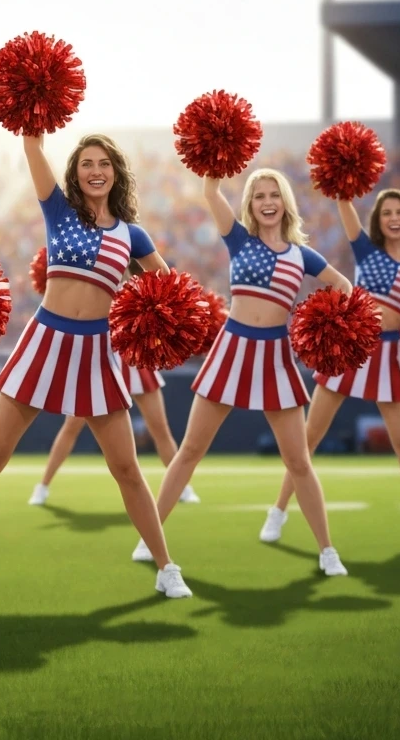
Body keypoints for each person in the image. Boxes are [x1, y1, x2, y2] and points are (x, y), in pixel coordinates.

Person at [0, 132, 192, 602]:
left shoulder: (133, 235)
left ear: (116, 172)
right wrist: (33, 119)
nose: (95, 171)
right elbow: (33, 148)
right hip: (44, 343)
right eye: (86, 163)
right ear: (76, 172)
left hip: (96, 354)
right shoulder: (58, 212)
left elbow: (172, 295)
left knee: (127, 469)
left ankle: (166, 566)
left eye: (103, 163)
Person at [154, 169, 352, 576]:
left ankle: (327, 550)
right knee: (190, 450)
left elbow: (344, 287)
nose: (266, 201)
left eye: (274, 194)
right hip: (230, 351)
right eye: (258, 194)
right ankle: (150, 536)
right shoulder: (237, 238)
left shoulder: (302, 255)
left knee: (298, 462)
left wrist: (321, 323)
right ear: (250, 202)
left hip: (275, 358)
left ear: (285, 203)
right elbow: (209, 190)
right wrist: (214, 154)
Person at [258, 189, 400, 548]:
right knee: (307, 440)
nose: (394, 218)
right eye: (386, 213)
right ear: (378, 221)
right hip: (352, 351)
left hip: (390, 357)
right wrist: (344, 175)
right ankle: (279, 511)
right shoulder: (366, 250)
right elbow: (344, 203)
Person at [28, 352, 200, 512]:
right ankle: (43, 486)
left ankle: (182, 487)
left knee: (160, 430)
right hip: (101, 364)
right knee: (71, 427)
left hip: (137, 363)